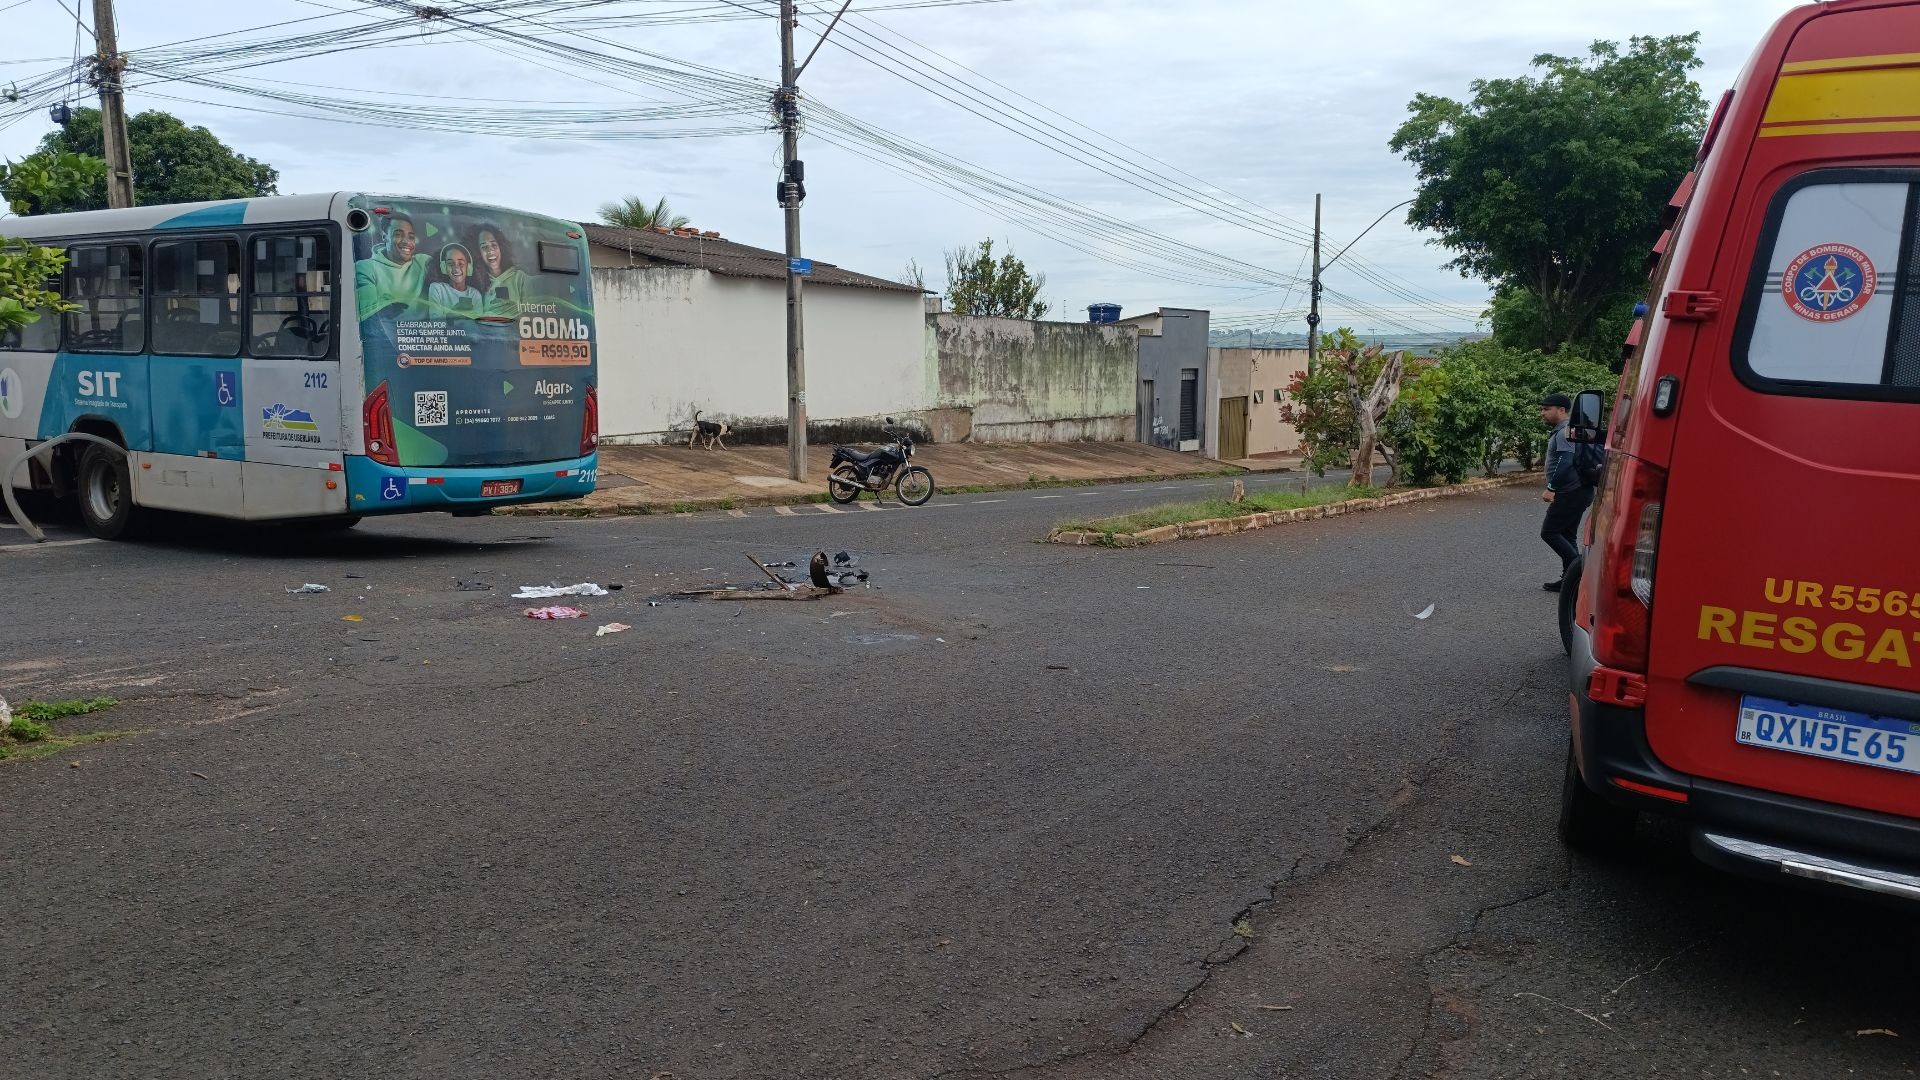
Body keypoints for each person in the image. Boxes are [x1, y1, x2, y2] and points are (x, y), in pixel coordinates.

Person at [1539, 392, 1595, 592]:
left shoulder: (1565, 431)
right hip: (1580, 491)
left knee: (1550, 532)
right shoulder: (1569, 429)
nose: (1542, 413)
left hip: (1571, 492)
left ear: (1561, 410)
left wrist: (1551, 488)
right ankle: (1569, 581)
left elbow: (1565, 461)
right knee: (1567, 534)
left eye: (1547, 409)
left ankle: (1580, 573)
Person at [354, 212, 431, 323]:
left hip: (426, 336)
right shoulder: (366, 268)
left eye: (411, 237)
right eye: (398, 235)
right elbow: (367, 315)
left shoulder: (423, 262)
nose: (406, 242)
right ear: (385, 237)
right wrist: (386, 308)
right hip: (383, 337)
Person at [472, 224, 530, 316]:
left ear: (501, 247)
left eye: (494, 245)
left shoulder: (519, 278)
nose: (490, 251)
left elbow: (531, 313)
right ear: (478, 253)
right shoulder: (476, 284)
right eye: (484, 247)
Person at [427, 242, 483, 314]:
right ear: (444, 267)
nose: (456, 268)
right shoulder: (437, 289)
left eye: (461, 264)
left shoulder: (475, 295)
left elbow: (478, 324)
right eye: (450, 264)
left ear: (468, 268)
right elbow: (436, 322)